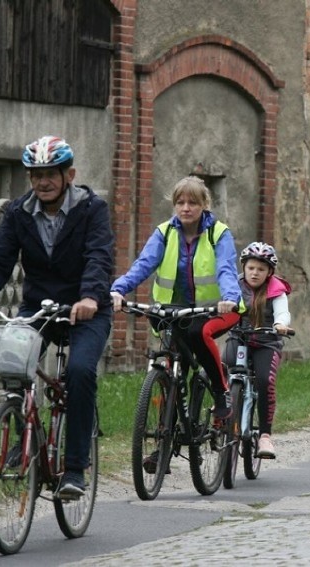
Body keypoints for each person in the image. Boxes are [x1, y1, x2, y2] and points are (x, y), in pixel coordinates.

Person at [0, 136, 114, 499]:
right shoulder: (18, 214)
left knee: (79, 371)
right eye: (36, 175)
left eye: (50, 174)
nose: (43, 182)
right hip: (40, 307)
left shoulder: (92, 209)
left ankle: (74, 469)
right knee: (13, 367)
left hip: (87, 310)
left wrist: (89, 296)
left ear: (68, 174)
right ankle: (19, 440)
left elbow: (98, 257)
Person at [111, 175, 243, 470]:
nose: (185, 208)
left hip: (215, 309)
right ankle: (163, 446)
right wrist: (119, 289)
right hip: (172, 310)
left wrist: (230, 297)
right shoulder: (164, 233)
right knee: (172, 371)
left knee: (199, 333)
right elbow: (144, 265)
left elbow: (225, 269)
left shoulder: (218, 234)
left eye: (192, 203)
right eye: (180, 202)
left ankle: (221, 391)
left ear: (204, 205)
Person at [226, 242, 292, 459]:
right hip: (239, 338)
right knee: (221, 369)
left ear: (269, 273)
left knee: (265, 381)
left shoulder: (276, 291)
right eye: (251, 268)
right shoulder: (234, 285)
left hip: (266, 342)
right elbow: (224, 302)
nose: (255, 273)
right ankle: (221, 419)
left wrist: (280, 324)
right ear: (243, 268)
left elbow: (282, 312)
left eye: (261, 269)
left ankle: (265, 435)